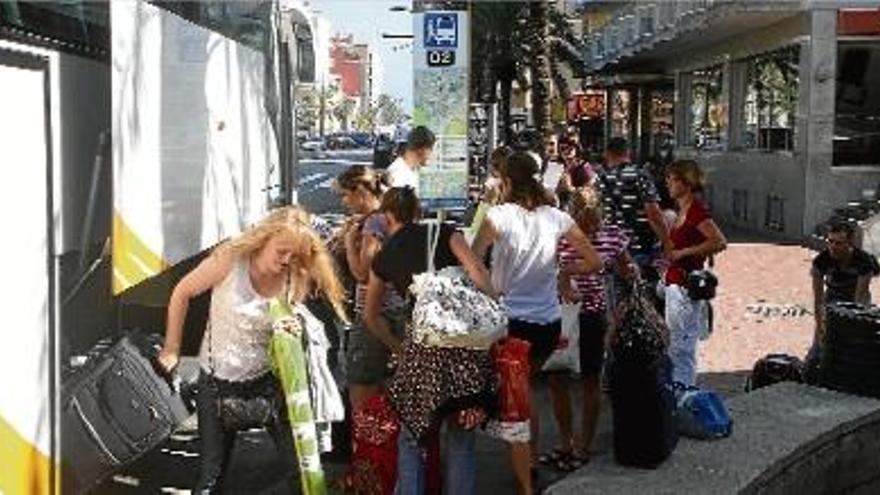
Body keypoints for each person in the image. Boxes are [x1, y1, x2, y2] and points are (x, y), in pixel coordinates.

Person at [157, 206, 347, 493]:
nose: (287, 260)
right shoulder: (230, 259)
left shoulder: (296, 272)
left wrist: (293, 327)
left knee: (303, 470)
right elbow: (182, 291)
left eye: (295, 256)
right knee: (211, 476)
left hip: (269, 383)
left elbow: (292, 315)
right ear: (263, 240)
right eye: (281, 251)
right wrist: (172, 347)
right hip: (217, 386)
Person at [472, 151, 601, 495]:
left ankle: (527, 484)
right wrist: (562, 272)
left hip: (510, 324)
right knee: (524, 393)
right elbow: (594, 261)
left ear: (507, 181)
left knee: (515, 408)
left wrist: (490, 289)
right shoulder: (557, 217)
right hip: (548, 324)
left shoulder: (497, 216)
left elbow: (473, 258)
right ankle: (528, 461)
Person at [365, 187, 497, 495]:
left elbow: (371, 316)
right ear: (417, 213)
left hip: (422, 347)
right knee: (461, 436)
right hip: (464, 344)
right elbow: (476, 269)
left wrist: (398, 348)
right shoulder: (445, 231)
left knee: (412, 437)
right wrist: (492, 307)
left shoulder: (383, 257)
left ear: (387, 216)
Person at [544, 186, 632, 472]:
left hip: (580, 314)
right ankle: (572, 443)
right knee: (569, 379)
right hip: (574, 314)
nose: (590, 225)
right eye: (585, 218)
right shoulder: (560, 235)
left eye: (592, 218)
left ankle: (576, 443)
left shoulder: (607, 234)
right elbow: (625, 268)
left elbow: (625, 268)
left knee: (577, 380)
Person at [332, 166, 404, 410]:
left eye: (345, 194)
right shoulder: (393, 215)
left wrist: (350, 242)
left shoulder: (373, 223)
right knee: (389, 389)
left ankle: (366, 445)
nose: (343, 201)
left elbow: (363, 273)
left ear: (361, 190)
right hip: (397, 309)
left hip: (374, 314)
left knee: (362, 393)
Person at [663, 160, 727, 386]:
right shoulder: (683, 210)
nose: (668, 183)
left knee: (683, 347)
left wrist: (684, 253)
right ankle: (678, 389)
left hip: (685, 286)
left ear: (686, 183)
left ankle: (684, 392)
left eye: (673, 179)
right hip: (674, 284)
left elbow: (719, 241)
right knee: (675, 344)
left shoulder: (697, 212)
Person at [594, 137, 671, 300]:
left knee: (616, 298)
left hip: (611, 247)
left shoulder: (598, 180)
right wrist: (667, 242)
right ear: (628, 152)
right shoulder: (640, 175)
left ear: (607, 154)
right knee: (642, 297)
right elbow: (654, 214)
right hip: (639, 246)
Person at [809, 221, 880, 363]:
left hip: (856, 299)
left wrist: (851, 328)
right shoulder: (820, 261)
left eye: (839, 243)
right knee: (817, 352)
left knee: (854, 345)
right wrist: (820, 325)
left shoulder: (863, 261)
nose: (833, 247)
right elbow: (818, 300)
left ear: (850, 243)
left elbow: (859, 299)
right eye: (831, 241)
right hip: (832, 297)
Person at [386, 126, 436, 194]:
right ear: (422, 149)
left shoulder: (411, 171)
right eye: (431, 149)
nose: (431, 154)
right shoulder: (398, 175)